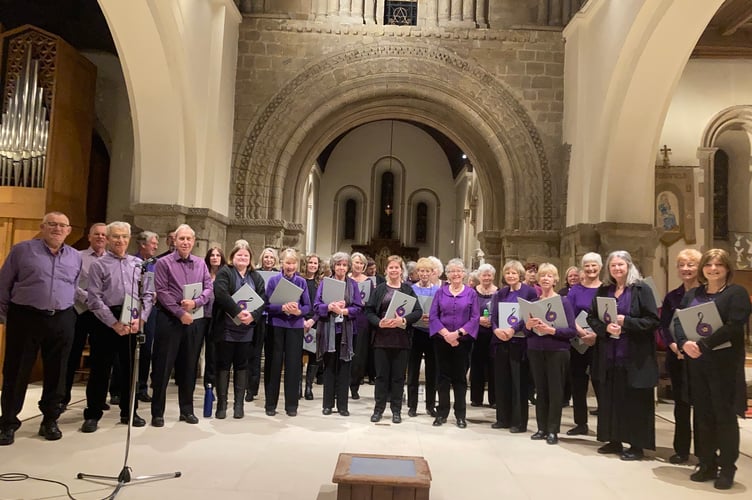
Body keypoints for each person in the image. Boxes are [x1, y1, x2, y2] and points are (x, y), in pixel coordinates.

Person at [0, 212, 81, 445]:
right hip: (25, 317)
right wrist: (5, 316)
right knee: (16, 371)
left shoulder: (75, 256)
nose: (57, 229)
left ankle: (50, 420)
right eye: (52, 224)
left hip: (62, 317)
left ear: (68, 230)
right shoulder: (22, 250)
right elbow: (4, 283)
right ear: (42, 227)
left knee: (58, 372)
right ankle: (7, 423)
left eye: (62, 226)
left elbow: (74, 286)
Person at [675, 249, 750, 490]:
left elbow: (734, 326)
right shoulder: (693, 294)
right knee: (703, 415)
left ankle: (727, 467)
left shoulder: (736, 293)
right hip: (697, 364)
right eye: (709, 264)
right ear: (703, 268)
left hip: (724, 365)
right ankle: (706, 463)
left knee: (724, 416)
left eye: (719, 264)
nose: (713, 268)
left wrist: (703, 344)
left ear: (727, 268)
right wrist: (684, 343)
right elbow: (678, 321)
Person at [81, 221, 155, 433]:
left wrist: (141, 319)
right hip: (107, 320)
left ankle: (129, 411)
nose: (120, 240)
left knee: (130, 369)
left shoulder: (139, 264)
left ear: (129, 238)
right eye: (115, 237)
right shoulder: (99, 265)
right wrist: (113, 323)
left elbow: (148, 294)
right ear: (108, 238)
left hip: (132, 317)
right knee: (100, 369)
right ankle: (93, 413)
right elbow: (94, 299)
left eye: (124, 236)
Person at [587, 250, 659, 461]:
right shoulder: (604, 290)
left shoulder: (641, 289)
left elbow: (653, 321)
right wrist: (606, 329)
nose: (617, 268)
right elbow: (592, 317)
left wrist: (625, 322)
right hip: (609, 355)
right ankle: (614, 439)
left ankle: (636, 445)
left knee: (635, 401)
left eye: (620, 265)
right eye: (613, 265)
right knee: (612, 399)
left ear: (629, 266)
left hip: (635, 356)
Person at [151, 224, 213, 427]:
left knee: (189, 366)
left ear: (194, 242)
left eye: (189, 239)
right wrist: (179, 313)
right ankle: (157, 413)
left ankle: (186, 410)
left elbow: (208, 287)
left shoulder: (200, 264)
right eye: (182, 239)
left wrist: (196, 303)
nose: (185, 242)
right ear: (174, 241)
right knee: (163, 366)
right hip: (169, 320)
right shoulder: (163, 263)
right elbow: (161, 291)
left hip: (194, 319)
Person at [212, 240, 266, 419]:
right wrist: (237, 312)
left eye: (246, 255)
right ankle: (221, 405)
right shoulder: (225, 272)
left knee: (242, 366)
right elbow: (220, 294)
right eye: (239, 255)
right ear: (232, 257)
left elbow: (262, 298)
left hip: (247, 330)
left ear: (250, 258)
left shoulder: (255, 277)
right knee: (224, 365)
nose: (242, 258)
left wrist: (252, 316)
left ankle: (238, 405)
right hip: (226, 328)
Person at [524, 263, 576, 445]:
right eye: (543, 275)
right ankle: (541, 428)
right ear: (538, 279)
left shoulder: (563, 301)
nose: (546, 278)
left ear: (555, 280)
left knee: (555, 391)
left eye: (549, 275)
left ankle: (553, 429)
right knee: (541, 390)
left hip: (557, 351)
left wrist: (551, 330)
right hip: (536, 349)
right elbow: (527, 331)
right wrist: (528, 326)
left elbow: (571, 331)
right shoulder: (534, 303)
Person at [365, 255, 422, 424]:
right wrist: (379, 322)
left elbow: (417, 311)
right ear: (387, 270)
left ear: (401, 270)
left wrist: (403, 320)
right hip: (382, 338)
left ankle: (396, 410)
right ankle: (378, 409)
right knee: (381, 376)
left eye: (397, 267)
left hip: (401, 339)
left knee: (398, 377)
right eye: (391, 267)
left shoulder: (408, 289)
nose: (394, 270)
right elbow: (369, 311)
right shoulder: (380, 289)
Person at [658, 248, 701, 464]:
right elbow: (664, 326)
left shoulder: (705, 293)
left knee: (702, 406)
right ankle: (681, 449)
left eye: (691, 264)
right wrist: (674, 346)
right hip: (677, 356)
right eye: (682, 265)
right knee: (681, 405)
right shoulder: (672, 296)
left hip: (702, 357)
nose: (686, 268)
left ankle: (704, 453)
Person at [429, 258, 479, 428]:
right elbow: (433, 316)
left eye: (459, 271)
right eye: (452, 271)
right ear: (447, 274)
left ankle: (460, 415)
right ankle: (442, 413)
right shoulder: (440, 292)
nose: (456, 274)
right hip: (442, 341)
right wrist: (446, 334)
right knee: (442, 378)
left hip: (463, 342)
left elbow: (475, 318)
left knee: (460, 379)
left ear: (464, 274)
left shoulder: (471, 293)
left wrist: (457, 334)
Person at [63, 222, 107, 410]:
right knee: (70, 356)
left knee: (101, 359)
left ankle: (96, 400)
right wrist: (88, 297)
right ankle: (62, 399)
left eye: (104, 235)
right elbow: (70, 281)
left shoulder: (112, 260)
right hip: (79, 311)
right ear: (89, 237)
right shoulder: (77, 256)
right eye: (96, 234)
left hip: (101, 314)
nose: (100, 237)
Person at [490, 260, 537, 432]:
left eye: (514, 273)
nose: (510, 276)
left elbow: (530, 315)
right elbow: (494, 315)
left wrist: (512, 329)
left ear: (520, 275)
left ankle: (518, 422)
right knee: (502, 381)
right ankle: (503, 418)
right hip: (501, 341)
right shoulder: (501, 293)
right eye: (508, 273)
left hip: (520, 342)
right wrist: (496, 330)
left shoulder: (529, 292)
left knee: (518, 383)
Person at [314, 252, 363, 417]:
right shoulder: (324, 283)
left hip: (346, 331)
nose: (341, 267)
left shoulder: (353, 285)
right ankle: (328, 404)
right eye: (338, 264)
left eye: (344, 265)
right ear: (333, 266)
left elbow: (358, 307)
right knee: (329, 368)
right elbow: (316, 305)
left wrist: (343, 310)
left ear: (348, 267)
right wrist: (329, 307)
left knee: (344, 368)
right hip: (328, 329)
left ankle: (343, 405)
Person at [265, 248, 310, 417]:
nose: (290, 266)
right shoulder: (273, 281)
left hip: (295, 327)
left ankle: (291, 406)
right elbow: (267, 305)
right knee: (274, 365)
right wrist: (281, 308)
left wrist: (299, 312)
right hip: (276, 325)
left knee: (293, 366)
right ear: (281, 263)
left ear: (297, 265)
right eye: (287, 262)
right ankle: (270, 405)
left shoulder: (302, 282)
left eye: (293, 263)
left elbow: (307, 306)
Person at [565, 252, 603, 436]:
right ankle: (581, 423)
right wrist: (581, 332)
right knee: (578, 384)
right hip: (578, 343)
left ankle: (605, 425)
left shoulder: (606, 289)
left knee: (600, 383)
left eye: (594, 265)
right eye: (587, 265)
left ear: (600, 267)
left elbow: (608, 314)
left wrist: (596, 334)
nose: (590, 269)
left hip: (600, 342)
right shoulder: (575, 290)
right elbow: (568, 315)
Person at [408, 257, 440, 417]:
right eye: (421, 271)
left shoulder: (438, 290)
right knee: (413, 370)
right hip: (415, 331)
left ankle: (430, 405)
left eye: (427, 271)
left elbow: (441, 310)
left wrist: (432, 316)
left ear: (432, 273)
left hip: (432, 333)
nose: (424, 274)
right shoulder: (411, 289)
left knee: (432, 370)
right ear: (417, 272)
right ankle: (412, 405)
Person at [248, 247, 279, 402]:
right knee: (254, 354)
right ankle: (251, 389)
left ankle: (269, 389)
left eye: (271, 258)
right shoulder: (255, 273)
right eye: (266, 257)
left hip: (273, 317)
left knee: (271, 355)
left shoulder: (279, 275)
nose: (268, 260)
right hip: (258, 317)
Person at [134, 230, 160, 403]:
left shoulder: (157, 264)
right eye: (153, 243)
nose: (156, 246)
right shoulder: (132, 262)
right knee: (125, 350)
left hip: (150, 310)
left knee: (145, 350)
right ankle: (117, 389)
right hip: (130, 308)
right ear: (143, 244)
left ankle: (141, 387)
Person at [470, 263, 498, 408]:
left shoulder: (499, 292)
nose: (486, 278)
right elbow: (467, 312)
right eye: (484, 275)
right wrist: (478, 320)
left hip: (494, 334)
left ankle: (494, 399)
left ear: (493, 276)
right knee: (477, 365)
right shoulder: (472, 292)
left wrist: (492, 321)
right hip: (477, 333)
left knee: (494, 366)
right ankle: (476, 398)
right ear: (479, 277)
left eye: (489, 275)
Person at [348, 252, 373, 400]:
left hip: (362, 320)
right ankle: (342, 384)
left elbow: (373, 302)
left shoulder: (369, 281)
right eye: (356, 262)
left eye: (361, 263)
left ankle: (355, 386)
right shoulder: (346, 279)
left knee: (359, 354)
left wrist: (366, 303)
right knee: (345, 352)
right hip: (347, 317)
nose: (358, 265)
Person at [201, 246, 226, 391]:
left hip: (216, 317)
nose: (215, 257)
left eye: (217, 255)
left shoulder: (225, 274)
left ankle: (210, 383)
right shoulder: (202, 272)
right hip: (201, 314)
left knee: (212, 352)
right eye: (212, 255)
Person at [302, 253, 321, 400]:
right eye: (310, 263)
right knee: (297, 355)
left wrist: (312, 320)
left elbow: (321, 305)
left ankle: (309, 386)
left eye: (315, 263)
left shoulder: (320, 284)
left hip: (315, 322)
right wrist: (302, 319)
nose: (313, 266)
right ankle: (297, 386)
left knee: (314, 357)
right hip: (299, 321)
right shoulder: (299, 280)